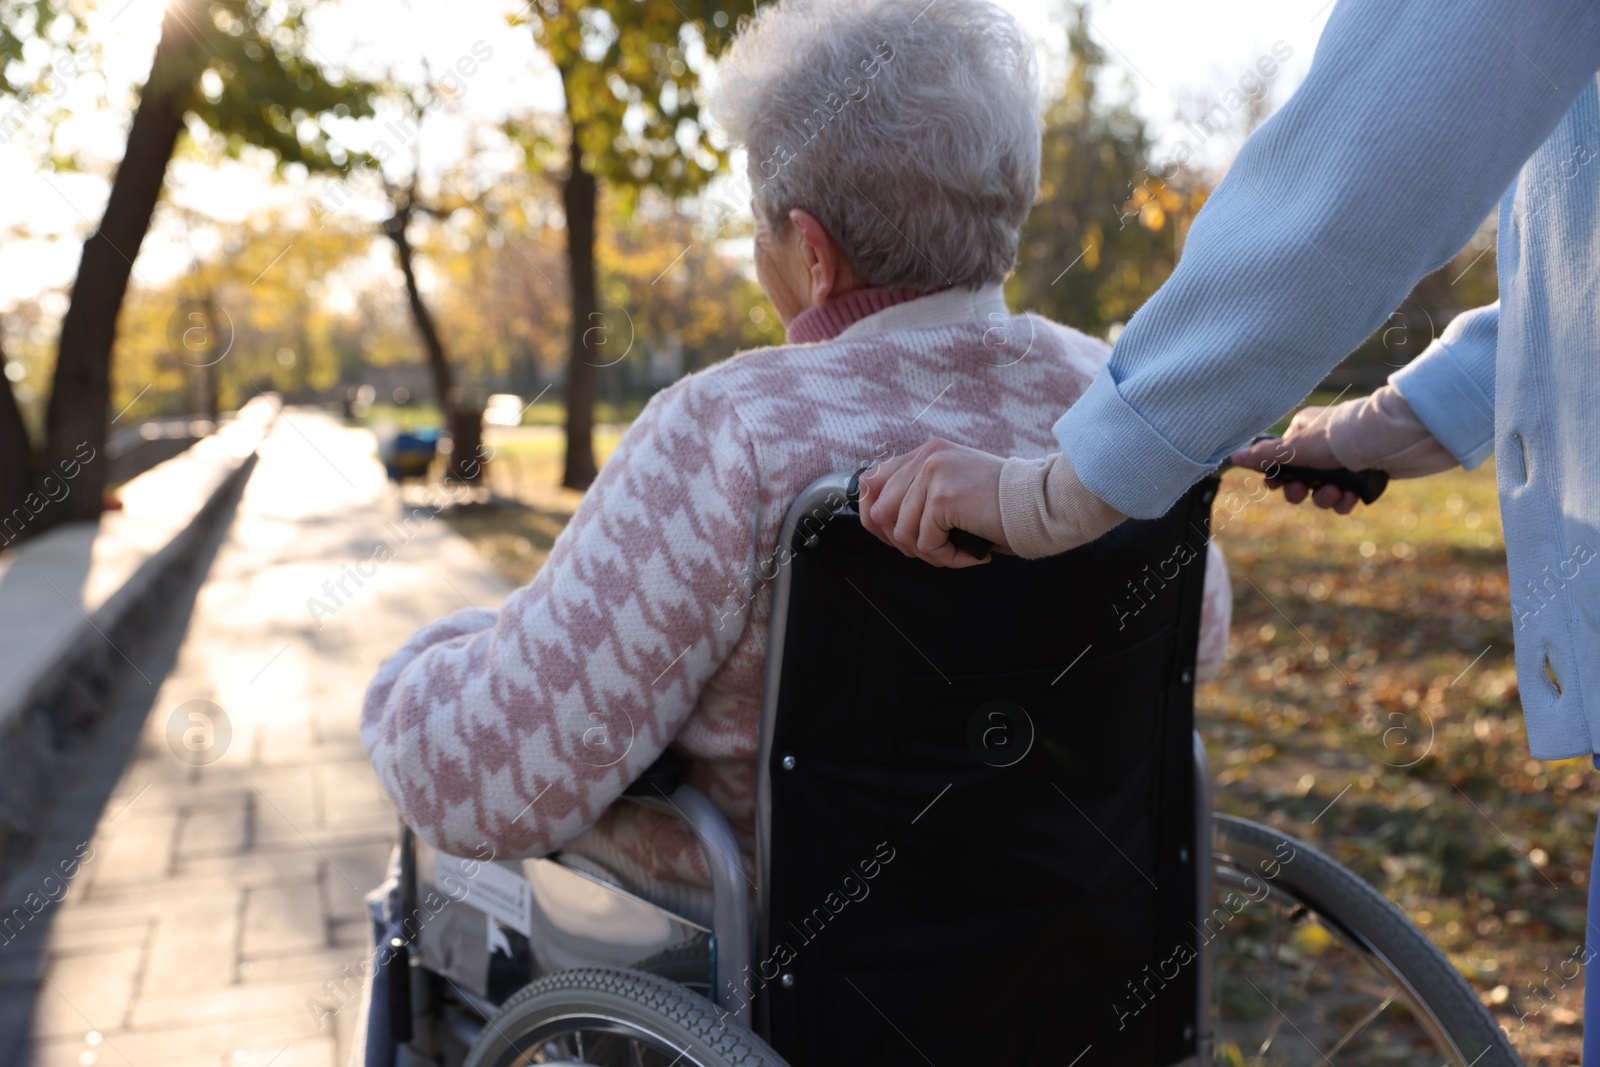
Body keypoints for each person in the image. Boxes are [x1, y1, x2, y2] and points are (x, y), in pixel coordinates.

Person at [360, 0, 1233, 920]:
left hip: (767, 978)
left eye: (759, 226)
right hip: (1061, 947)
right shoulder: (1113, 404)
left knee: (419, 907)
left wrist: (411, 670)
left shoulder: (734, 433)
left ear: (812, 253)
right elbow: (1199, 635)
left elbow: (487, 784)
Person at [856, 0, 1600, 1052]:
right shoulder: (1069, 372)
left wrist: (1052, 495)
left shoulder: (717, 427)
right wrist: (1407, 417)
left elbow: (1377, 143)